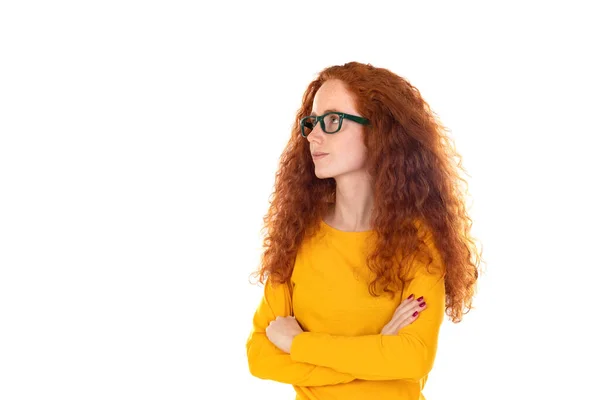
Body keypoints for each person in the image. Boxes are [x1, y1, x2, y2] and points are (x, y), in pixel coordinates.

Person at [245, 61, 481, 400]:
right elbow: (261, 356)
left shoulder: (418, 242)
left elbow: (413, 359)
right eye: (311, 122)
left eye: (332, 120)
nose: (313, 134)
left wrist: (298, 344)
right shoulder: (297, 236)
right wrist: (377, 352)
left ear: (379, 131)